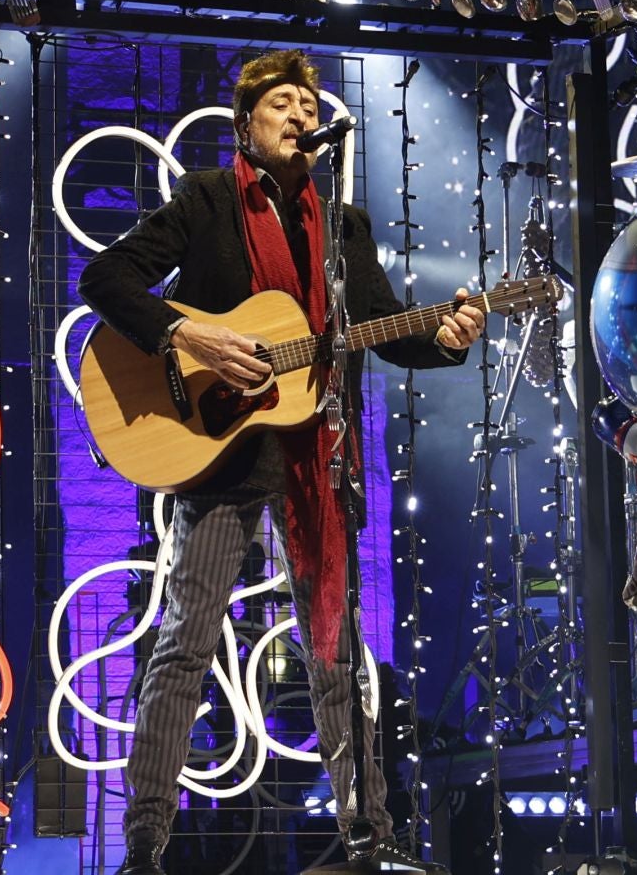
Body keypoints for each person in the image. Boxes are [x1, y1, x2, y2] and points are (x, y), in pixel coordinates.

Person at [78, 50, 486, 875]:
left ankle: (367, 839)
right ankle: (145, 847)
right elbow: (104, 278)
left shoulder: (346, 226)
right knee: (185, 647)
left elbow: (383, 327)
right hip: (222, 456)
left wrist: (443, 338)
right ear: (246, 126)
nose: (301, 116)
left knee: (335, 654)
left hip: (318, 460)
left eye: (309, 104)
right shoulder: (205, 201)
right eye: (282, 105)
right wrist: (187, 334)